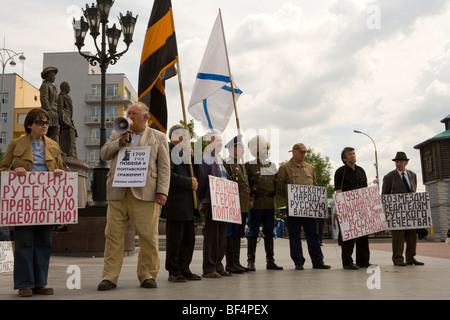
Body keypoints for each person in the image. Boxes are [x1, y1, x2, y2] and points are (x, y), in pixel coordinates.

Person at [97, 102, 170, 290]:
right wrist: (120, 141)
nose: (130, 116)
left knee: (148, 237)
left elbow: (164, 167)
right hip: (118, 193)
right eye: (128, 113)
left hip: (145, 194)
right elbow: (104, 154)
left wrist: (162, 191)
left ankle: (147, 275)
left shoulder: (159, 137)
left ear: (145, 118)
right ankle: (109, 277)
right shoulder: (116, 133)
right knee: (113, 236)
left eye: (134, 114)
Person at [0, 108, 64, 297]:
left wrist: (59, 173)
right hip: (23, 202)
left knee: (44, 242)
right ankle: (24, 284)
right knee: (24, 242)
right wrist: (14, 172)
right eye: (40, 122)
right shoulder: (16, 143)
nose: (44, 125)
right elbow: (3, 168)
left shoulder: (53, 145)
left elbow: (59, 168)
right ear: (29, 125)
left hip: (46, 201)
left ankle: (40, 283)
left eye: (46, 122)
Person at [276, 143, 331, 270]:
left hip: (309, 208)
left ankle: (318, 261)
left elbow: (314, 185)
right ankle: (298, 262)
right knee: (295, 235)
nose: (303, 154)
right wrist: (291, 198)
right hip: (293, 207)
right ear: (293, 152)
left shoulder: (310, 167)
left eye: (305, 152)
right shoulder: (285, 168)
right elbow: (279, 188)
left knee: (313, 234)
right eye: (301, 152)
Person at [161, 124, 202, 282]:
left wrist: (193, 157)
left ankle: (185, 268)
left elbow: (197, 176)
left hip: (188, 203)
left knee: (188, 239)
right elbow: (168, 175)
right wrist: (188, 182)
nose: (186, 139)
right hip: (176, 203)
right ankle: (173, 271)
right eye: (183, 136)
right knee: (175, 240)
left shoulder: (185, 154)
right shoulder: (168, 150)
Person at [245, 135, 283, 271]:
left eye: (267, 149)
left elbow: (276, 184)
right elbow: (246, 184)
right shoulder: (249, 166)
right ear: (256, 150)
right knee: (253, 232)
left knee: (269, 232)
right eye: (264, 149)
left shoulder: (272, 166)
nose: (266, 151)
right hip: (255, 203)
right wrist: (249, 199)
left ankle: (270, 261)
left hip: (269, 203)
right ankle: (251, 261)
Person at [197, 132, 231, 278]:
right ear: (208, 143)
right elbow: (202, 182)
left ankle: (218, 265)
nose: (220, 143)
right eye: (216, 140)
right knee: (212, 236)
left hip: (223, 204)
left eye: (221, 141)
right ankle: (209, 268)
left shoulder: (221, 160)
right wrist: (201, 201)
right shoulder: (205, 159)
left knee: (222, 236)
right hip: (211, 202)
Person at [382, 151, 424, 266]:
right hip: (396, 212)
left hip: (410, 211)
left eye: (401, 161)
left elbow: (413, 192)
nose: (398, 164)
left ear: (406, 162)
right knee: (398, 237)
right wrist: (386, 209)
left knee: (412, 236)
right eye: (397, 162)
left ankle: (411, 257)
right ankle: (398, 258)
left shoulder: (413, 175)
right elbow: (384, 194)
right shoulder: (389, 177)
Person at [334, 146, 372, 269]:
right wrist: (339, 209)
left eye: (354, 153)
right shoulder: (340, 172)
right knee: (348, 237)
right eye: (349, 154)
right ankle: (347, 262)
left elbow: (366, 190)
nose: (353, 155)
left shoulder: (361, 170)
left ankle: (363, 261)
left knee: (363, 236)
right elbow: (338, 191)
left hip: (361, 209)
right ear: (344, 158)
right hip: (347, 209)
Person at [223, 135, 251, 273]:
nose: (242, 150)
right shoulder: (227, 163)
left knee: (239, 233)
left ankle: (237, 261)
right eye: (240, 147)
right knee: (231, 233)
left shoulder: (241, 165)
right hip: (233, 202)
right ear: (231, 149)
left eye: (242, 147)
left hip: (243, 203)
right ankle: (230, 263)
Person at [39, 67, 60, 142]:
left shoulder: (53, 87)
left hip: (54, 114)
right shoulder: (45, 85)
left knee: (56, 132)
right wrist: (48, 110)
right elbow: (44, 98)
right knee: (46, 131)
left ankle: (56, 149)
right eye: (53, 75)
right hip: (47, 113)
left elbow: (56, 102)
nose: (54, 77)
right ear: (49, 76)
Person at [57, 81, 77, 158]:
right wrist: (64, 119)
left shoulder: (67, 96)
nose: (70, 89)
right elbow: (60, 108)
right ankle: (68, 152)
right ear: (65, 88)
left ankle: (72, 153)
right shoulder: (61, 96)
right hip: (65, 121)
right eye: (68, 87)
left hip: (69, 119)